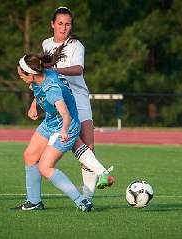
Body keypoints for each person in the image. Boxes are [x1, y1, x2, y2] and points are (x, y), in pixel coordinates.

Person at [28, 6, 112, 200]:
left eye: (68, 24)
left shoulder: (76, 45)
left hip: (79, 98)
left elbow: (78, 69)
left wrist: (56, 71)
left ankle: (87, 197)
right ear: (52, 24)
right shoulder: (47, 44)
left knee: (88, 146)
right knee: (74, 143)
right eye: (60, 24)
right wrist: (35, 102)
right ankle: (99, 179)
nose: (64, 28)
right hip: (61, 100)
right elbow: (42, 79)